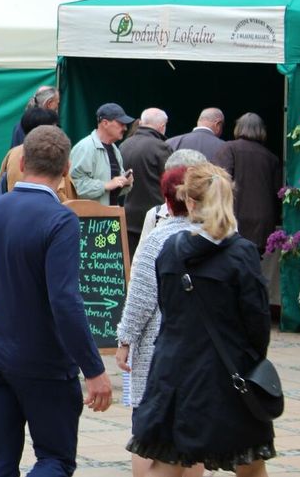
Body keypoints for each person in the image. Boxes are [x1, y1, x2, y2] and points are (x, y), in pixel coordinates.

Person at [0, 125, 112, 476]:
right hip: (44, 362)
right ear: (67, 168)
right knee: (55, 459)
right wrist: (94, 368)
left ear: (21, 161)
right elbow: (65, 301)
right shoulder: (60, 220)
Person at [127, 163, 275, 475]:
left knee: (166, 465)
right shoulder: (242, 253)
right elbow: (258, 322)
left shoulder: (169, 249)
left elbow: (168, 310)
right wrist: (250, 358)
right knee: (249, 466)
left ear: (190, 202)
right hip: (229, 373)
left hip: (175, 371)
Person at [115, 166, 201, 477]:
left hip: (159, 351)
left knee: (148, 434)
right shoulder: (216, 240)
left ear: (166, 198)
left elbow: (140, 301)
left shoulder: (157, 240)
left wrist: (125, 341)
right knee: (192, 431)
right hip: (201, 355)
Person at [213, 113, 283, 253]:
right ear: (262, 130)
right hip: (263, 223)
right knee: (253, 263)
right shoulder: (271, 158)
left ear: (238, 128)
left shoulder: (229, 148)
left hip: (234, 219)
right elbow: (279, 193)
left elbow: (219, 182)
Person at [121, 108, 172, 255]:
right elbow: (170, 183)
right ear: (162, 126)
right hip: (153, 218)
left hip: (127, 216)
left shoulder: (124, 145)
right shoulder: (161, 147)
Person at [0, 107, 74, 201]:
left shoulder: (13, 153)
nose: (57, 130)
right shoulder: (50, 153)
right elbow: (60, 192)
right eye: (54, 126)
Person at [70, 102, 134, 206]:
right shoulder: (85, 147)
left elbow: (112, 191)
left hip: (110, 218)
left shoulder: (115, 150)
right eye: (121, 123)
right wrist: (106, 185)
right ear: (105, 123)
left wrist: (125, 183)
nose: (125, 128)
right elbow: (74, 185)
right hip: (89, 220)